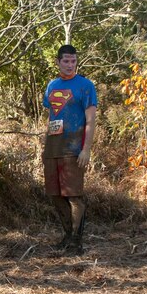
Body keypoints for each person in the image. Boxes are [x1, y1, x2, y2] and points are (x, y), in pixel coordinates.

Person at [42, 44, 98, 255]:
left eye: (73, 61)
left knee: (74, 195)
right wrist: (46, 146)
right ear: (58, 62)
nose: (69, 65)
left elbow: (91, 120)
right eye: (65, 61)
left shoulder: (85, 86)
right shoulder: (52, 85)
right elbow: (52, 116)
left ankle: (76, 242)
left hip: (74, 146)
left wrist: (86, 149)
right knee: (55, 194)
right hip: (54, 145)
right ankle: (67, 237)